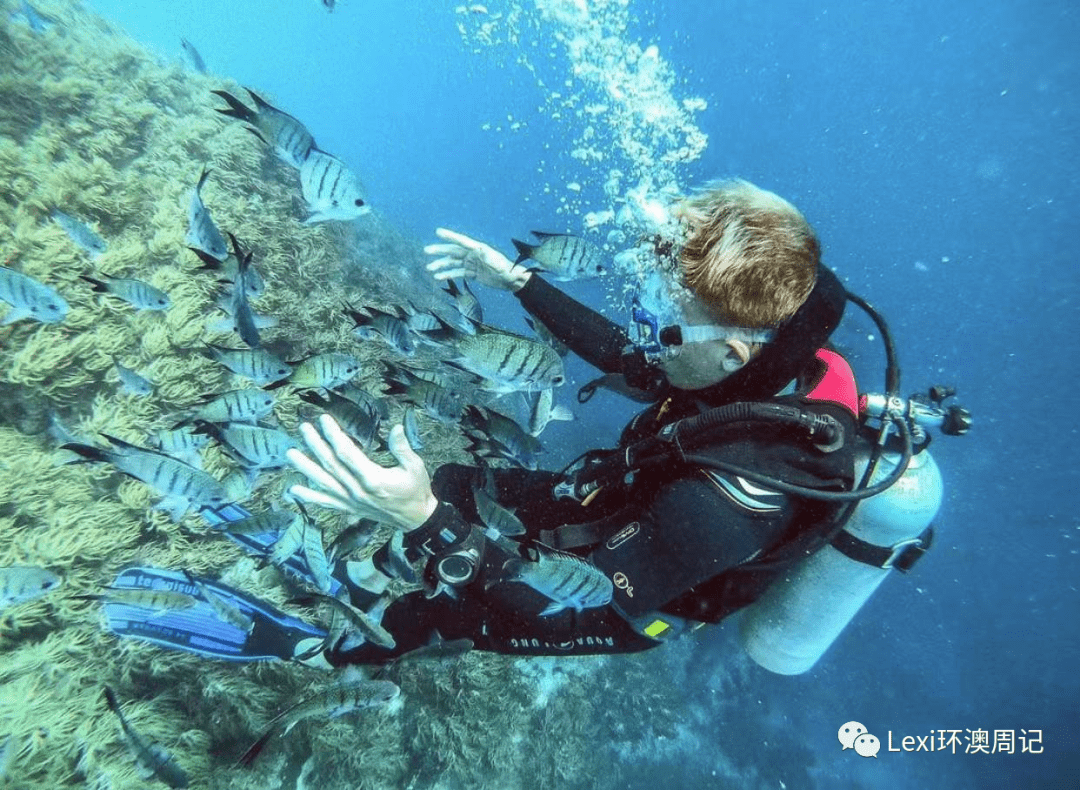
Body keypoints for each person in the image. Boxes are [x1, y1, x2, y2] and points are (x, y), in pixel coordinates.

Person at [102, 179, 869, 667]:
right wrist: (519, 281)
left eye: (663, 324)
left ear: (734, 351)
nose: (643, 336)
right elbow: (639, 363)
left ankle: (318, 647)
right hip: (621, 491)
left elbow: (577, 603)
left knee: (445, 611)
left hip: (628, 595)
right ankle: (360, 571)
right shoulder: (769, 344)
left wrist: (426, 524)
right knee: (461, 482)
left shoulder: (728, 504)